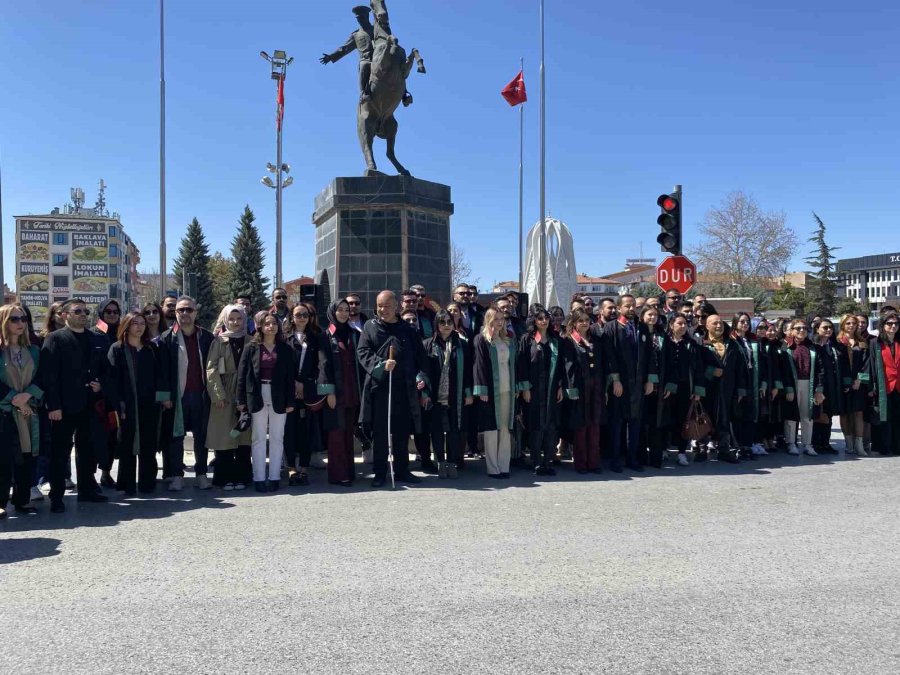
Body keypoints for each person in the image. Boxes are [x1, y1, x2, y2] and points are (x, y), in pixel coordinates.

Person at [41, 299, 109, 512]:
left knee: (87, 449)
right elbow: (48, 375)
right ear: (64, 315)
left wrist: (101, 385)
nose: (83, 314)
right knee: (60, 452)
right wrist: (53, 406)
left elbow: (105, 369)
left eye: (85, 311)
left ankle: (87, 490)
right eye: (77, 311)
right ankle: (57, 496)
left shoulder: (95, 338)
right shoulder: (55, 339)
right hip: (63, 406)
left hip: (89, 403)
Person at [357, 291, 429, 487]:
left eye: (387, 306)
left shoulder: (407, 329)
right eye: (380, 306)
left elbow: (420, 358)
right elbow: (362, 353)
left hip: (404, 389)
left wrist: (420, 376)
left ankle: (402, 470)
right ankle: (380, 472)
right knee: (381, 433)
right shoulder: (369, 327)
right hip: (379, 388)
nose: (383, 310)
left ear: (396, 306)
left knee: (401, 432)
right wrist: (380, 365)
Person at [103, 311, 171, 495]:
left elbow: (161, 376)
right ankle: (126, 484)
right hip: (127, 406)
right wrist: (119, 405)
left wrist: (164, 399)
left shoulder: (151, 349)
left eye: (142, 323)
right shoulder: (117, 349)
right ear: (126, 325)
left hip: (149, 405)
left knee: (148, 443)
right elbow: (111, 381)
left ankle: (147, 483)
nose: (140, 327)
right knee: (127, 444)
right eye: (135, 323)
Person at [159, 296, 215, 491]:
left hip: (200, 395)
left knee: (202, 437)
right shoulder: (166, 338)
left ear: (195, 313)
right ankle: (176, 475)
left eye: (188, 310)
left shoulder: (206, 337)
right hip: (176, 398)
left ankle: (201, 474)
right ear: (175, 313)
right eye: (180, 310)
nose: (184, 314)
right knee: (175, 438)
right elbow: (161, 373)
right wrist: (164, 397)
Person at [237, 312, 296, 492]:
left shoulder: (285, 349)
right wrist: (240, 401)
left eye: (274, 324)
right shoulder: (251, 347)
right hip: (257, 394)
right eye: (267, 324)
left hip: (279, 395)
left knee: (278, 438)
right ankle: (259, 478)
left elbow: (290, 377)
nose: (271, 327)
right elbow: (242, 375)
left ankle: (275, 477)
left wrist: (290, 400)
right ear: (260, 327)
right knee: (258, 438)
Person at [601, 295, 658, 472]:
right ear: (619, 308)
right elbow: (609, 357)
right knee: (617, 424)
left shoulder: (641, 328)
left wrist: (650, 380)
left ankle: (633, 459)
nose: (632, 309)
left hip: (638, 384)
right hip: (620, 384)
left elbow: (650, 356)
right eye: (627, 306)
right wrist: (615, 380)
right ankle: (615, 460)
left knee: (635, 423)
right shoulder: (611, 328)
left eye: (634, 306)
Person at [0, 304, 44, 517]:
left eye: (23, 319)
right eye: (14, 319)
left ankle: (22, 499)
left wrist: (28, 396)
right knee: (4, 458)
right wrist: (14, 399)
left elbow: (42, 377)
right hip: (5, 411)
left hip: (28, 411)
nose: (20, 323)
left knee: (27, 455)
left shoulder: (34, 350)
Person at [206, 305, 252, 491]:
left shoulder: (251, 340)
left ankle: (242, 476)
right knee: (224, 436)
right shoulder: (218, 341)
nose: (235, 322)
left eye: (239, 319)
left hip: (244, 392)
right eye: (231, 319)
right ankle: (224, 477)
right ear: (225, 320)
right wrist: (217, 394)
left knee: (243, 435)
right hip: (224, 392)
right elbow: (211, 369)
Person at [422, 310, 473, 479]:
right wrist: (423, 391)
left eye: (449, 322)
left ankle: (452, 462)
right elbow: (421, 371)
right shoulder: (428, 344)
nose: (446, 326)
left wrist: (468, 392)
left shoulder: (461, 344)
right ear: (436, 324)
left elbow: (468, 372)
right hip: (435, 395)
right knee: (436, 430)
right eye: (442, 322)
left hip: (455, 394)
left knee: (454, 430)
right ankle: (440, 462)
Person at [473, 307, 519, 478]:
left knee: (505, 428)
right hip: (491, 391)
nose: (500, 322)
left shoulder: (508, 340)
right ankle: (493, 467)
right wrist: (482, 389)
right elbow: (479, 366)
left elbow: (513, 365)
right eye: (496, 319)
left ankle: (504, 465)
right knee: (491, 429)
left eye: (502, 319)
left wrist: (516, 388)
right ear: (488, 320)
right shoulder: (482, 340)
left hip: (507, 389)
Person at [320, 300, 361, 486]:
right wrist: (328, 391)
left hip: (352, 390)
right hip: (335, 392)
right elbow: (323, 366)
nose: (344, 313)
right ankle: (338, 474)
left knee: (348, 433)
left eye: (347, 309)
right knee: (336, 434)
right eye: (340, 310)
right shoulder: (326, 335)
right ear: (332, 312)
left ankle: (349, 472)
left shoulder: (354, 334)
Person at [284, 302, 325, 487]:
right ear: (292, 317)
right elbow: (280, 366)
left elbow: (321, 365)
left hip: (309, 391)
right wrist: (294, 383)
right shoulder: (284, 337)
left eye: (305, 315)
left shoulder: (317, 337)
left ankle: (304, 469)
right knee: (289, 431)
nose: (302, 318)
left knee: (307, 431)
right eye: (298, 314)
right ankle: (291, 468)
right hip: (289, 391)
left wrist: (306, 384)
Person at [658, 313, 706, 466]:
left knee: (682, 420)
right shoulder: (664, 342)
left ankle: (681, 452)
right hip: (666, 388)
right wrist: (668, 384)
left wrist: (698, 391)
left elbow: (698, 368)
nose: (683, 326)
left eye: (685, 324)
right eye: (679, 323)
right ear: (671, 325)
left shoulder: (691, 344)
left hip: (685, 387)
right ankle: (664, 449)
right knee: (665, 419)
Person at [698, 314, 745, 464]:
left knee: (724, 419)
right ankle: (701, 449)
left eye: (720, 323)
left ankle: (724, 449)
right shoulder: (701, 343)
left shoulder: (733, 344)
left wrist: (741, 389)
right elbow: (695, 366)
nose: (718, 326)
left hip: (727, 388)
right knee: (704, 419)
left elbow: (740, 369)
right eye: (714, 323)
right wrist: (710, 372)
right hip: (707, 388)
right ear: (706, 326)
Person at [562, 309, 604, 474]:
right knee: (580, 428)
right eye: (581, 321)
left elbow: (600, 365)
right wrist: (571, 389)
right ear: (574, 323)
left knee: (594, 426)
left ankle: (594, 462)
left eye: (587, 320)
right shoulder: (569, 341)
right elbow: (568, 367)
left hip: (595, 388)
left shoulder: (595, 340)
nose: (585, 323)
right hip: (579, 389)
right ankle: (581, 463)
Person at [782, 319, 825, 456]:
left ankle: (807, 444)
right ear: (792, 330)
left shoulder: (813, 347)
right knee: (791, 416)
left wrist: (819, 390)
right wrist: (788, 388)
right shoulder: (786, 347)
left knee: (807, 416)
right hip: (792, 384)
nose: (801, 331)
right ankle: (791, 443)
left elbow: (820, 370)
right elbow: (783, 370)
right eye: (798, 328)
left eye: (804, 328)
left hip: (809, 383)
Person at [93, 298, 123, 489]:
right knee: (95, 437)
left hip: (115, 396)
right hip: (97, 397)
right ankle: (89, 477)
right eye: (108, 312)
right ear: (101, 314)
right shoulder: (94, 335)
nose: (112, 315)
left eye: (115, 312)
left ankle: (106, 473)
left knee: (112, 436)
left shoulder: (122, 333)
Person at [731, 312, 768, 459]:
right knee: (738, 415)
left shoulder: (754, 341)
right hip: (738, 383)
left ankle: (747, 445)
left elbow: (763, 364)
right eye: (741, 321)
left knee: (750, 415)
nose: (745, 324)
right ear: (735, 323)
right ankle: (738, 446)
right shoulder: (732, 340)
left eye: (747, 321)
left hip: (753, 381)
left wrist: (763, 383)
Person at [866, 312, 900, 456]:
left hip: (898, 385)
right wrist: (871, 386)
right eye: (889, 323)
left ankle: (897, 447)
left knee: (898, 418)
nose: (893, 326)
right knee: (884, 418)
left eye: (896, 324)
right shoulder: (875, 343)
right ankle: (884, 447)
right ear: (883, 325)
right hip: (883, 386)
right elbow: (872, 365)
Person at [835, 315, 869, 456]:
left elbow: (867, 364)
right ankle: (848, 443)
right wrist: (845, 381)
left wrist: (859, 380)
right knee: (844, 414)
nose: (851, 325)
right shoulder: (837, 341)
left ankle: (859, 444)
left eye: (854, 323)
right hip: (841, 383)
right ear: (843, 324)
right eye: (848, 323)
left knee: (858, 413)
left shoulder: (862, 342)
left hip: (858, 384)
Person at [810, 318, 843, 454]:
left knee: (828, 414)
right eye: (825, 327)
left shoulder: (833, 346)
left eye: (830, 327)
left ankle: (825, 443)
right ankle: (816, 443)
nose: (828, 330)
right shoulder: (813, 346)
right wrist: (819, 387)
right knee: (818, 414)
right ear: (817, 329)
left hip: (832, 385)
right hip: (818, 385)